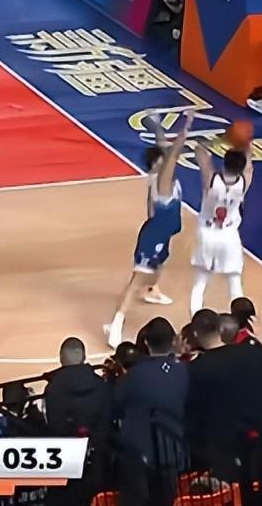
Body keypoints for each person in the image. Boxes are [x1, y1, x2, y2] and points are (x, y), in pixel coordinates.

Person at [106, 110, 194, 348]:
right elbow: (172, 153)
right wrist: (187, 125)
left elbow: (163, 148)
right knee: (136, 280)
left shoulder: (157, 175)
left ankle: (152, 290)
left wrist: (156, 126)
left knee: (159, 266)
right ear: (158, 164)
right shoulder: (163, 182)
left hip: (162, 233)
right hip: (154, 235)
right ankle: (115, 324)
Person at [186, 309, 262, 482]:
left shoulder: (194, 370)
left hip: (222, 445)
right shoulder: (252, 352)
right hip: (257, 435)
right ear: (220, 328)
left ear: (195, 334)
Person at [112, 317, 187, 506]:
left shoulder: (134, 375)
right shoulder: (184, 371)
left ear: (145, 342)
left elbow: (116, 406)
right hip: (172, 455)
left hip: (139, 459)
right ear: (173, 341)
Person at [190, 145, 252, 314]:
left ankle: (196, 319)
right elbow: (248, 166)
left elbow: (201, 156)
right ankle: (241, 320)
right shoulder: (244, 181)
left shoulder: (211, 179)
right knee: (234, 281)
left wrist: (203, 148)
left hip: (207, 233)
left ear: (224, 163)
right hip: (229, 235)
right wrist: (245, 144)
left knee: (200, 281)